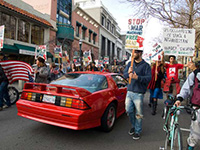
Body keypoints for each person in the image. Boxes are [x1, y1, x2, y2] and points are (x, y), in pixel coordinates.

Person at [123, 49, 151, 140]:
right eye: (133, 52)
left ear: (140, 53)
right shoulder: (129, 64)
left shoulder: (146, 66)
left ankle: (137, 130)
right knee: (128, 110)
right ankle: (134, 125)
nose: (133, 54)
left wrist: (137, 77)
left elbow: (148, 78)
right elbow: (124, 75)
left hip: (139, 93)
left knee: (139, 113)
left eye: (135, 52)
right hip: (129, 91)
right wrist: (128, 73)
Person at [175, 59, 200, 150]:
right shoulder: (195, 75)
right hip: (198, 108)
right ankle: (190, 146)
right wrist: (180, 98)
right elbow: (186, 88)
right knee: (195, 134)